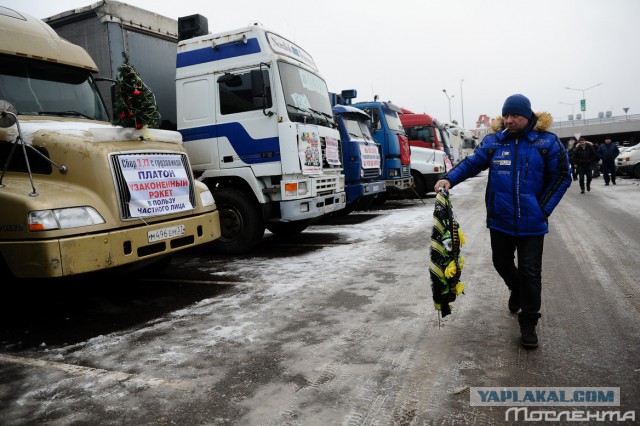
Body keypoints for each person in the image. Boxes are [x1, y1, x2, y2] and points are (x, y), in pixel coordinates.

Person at [434, 94, 571, 349]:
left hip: (532, 223)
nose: (509, 120)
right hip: (500, 220)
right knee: (501, 263)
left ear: (527, 116)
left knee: (531, 272)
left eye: (515, 116)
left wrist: (542, 209)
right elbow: (472, 163)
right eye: (506, 115)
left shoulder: (546, 142)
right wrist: (449, 178)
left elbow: (562, 176)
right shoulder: (494, 142)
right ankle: (516, 289)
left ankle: (529, 321)